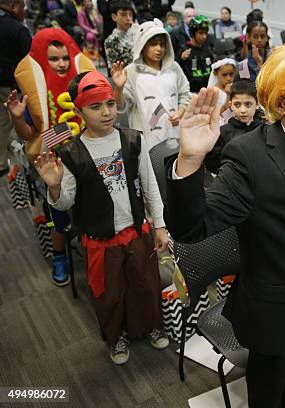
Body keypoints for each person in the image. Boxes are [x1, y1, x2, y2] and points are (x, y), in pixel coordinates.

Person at [165, 43, 285, 407]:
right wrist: (190, 158)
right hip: (275, 317)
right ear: (280, 104)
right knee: (269, 398)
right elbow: (192, 228)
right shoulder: (250, 156)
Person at [34, 71, 169, 365]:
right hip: (100, 239)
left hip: (136, 230)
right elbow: (66, 201)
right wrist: (54, 185)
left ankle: (150, 324)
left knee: (145, 283)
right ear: (79, 111)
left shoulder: (133, 140)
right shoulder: (71, 152)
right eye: (95, 107)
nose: (106, 112)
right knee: (108, 293)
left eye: (109, 103)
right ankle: (115, 336)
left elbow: (149, 185)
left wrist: (159, 225)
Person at [11, 28, 95, 286]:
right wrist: (17, 116)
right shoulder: (34, 92)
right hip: (51, 165)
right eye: (53, 59)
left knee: (92, 206)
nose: (61, 63)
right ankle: (59, 255)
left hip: (84, 160)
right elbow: (29, 135)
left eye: (64, 58)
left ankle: (92, 250)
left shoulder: (80, 84)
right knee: (57, 215)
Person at [114, 19, 191, 150]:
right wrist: (119, 89)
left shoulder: (174, 68)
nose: (158, 49)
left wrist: (180, 112)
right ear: (142, 45)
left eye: (162, 44)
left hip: (175, 136)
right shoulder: (131, 72)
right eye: (153, 44)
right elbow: (122, 108)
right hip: (146, 141)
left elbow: (184, 93)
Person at [205, 79, 263, 173]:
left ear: (257, 104)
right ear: (231, 105)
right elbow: (213, 164)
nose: (242, 110)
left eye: (248, 104)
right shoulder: (222, 133)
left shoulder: (265, 131)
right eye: (237, 105)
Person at [0, 0, 31, 178]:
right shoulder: (18, 30)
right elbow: (30, 62)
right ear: (13, 6)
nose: (24, 11)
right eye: (22, 7)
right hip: (10, 86)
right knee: (12, 122)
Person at [178, 15, 214, 93]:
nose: (204, 36)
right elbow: (177, 74)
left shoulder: (208, 49)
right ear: (193, 33)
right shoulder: (184, 50)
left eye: (206, 33)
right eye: (200, 33)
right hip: (191, 92)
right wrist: (181, 60)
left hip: (208, 90)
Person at [104, 0, 135, 72]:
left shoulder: (138, 34)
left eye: (130, 15)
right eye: (123, 15)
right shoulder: (110, 41)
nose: (128, 18)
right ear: (114, 17)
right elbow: (114, 69)